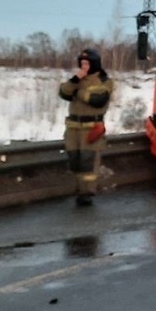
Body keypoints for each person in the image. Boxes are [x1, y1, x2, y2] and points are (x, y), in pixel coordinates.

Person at [59, 48, 114, 207]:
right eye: (81, 63)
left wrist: (78, 93)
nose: (84, 67)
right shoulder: (77, 79)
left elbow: (98, 99)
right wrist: (76, 79)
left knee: (88, 162)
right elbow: (64, 92)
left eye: (86, 63)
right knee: (75, 160)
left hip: (91, 129)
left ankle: (87, 193)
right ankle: (78, 189)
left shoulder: (104, 80)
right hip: (73, 129)